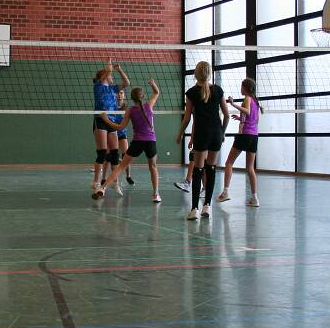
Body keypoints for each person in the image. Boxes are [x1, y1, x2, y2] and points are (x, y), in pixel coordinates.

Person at [175, 61, 229, 220]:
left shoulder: (191, 92)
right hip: (216, 133)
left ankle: (194, 209)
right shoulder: (218, 90)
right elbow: (226, 115)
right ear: (210, 73)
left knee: (198, 171)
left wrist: (179, 134)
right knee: (211, 169)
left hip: (202, 134)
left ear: (195, 74)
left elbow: (186, 119)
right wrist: (223, 132)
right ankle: (207, 206)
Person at [93, 79, 162, 203]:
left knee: (120, 167)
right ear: (143, 96)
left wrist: (105, 119)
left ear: (131, 98)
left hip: (137, 142)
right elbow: (157, 93)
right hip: (150, 141)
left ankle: (102, 188)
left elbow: (120, 127)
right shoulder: (149, 105)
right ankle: (156, 194)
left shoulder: (130, 110)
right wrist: (153, 84)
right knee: (153, 166)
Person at [218, 78, 263, 207]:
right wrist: (241, 118)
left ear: (246, 88)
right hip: (254, 136)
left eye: (241, 86)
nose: (240, 88)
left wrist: (232, 104)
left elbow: (248, 111)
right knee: (250, 168)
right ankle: (254, 198)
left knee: (229, 163)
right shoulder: (256, 102)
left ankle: (225, 192)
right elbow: (255, 120)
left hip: (245, 135)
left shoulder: (248, 99)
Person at [91, 59, 130, 192]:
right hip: (101, 119)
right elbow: (107, 72)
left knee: (114, 153)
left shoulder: (113, 89)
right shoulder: (98, 86)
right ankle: (96, 181)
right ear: (105, 76)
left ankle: (114, 181)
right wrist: (109, 66)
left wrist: (119, 70)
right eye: (111, 75)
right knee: (102, 152)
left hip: (112, 121)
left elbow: (127, 83)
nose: (112, 77)